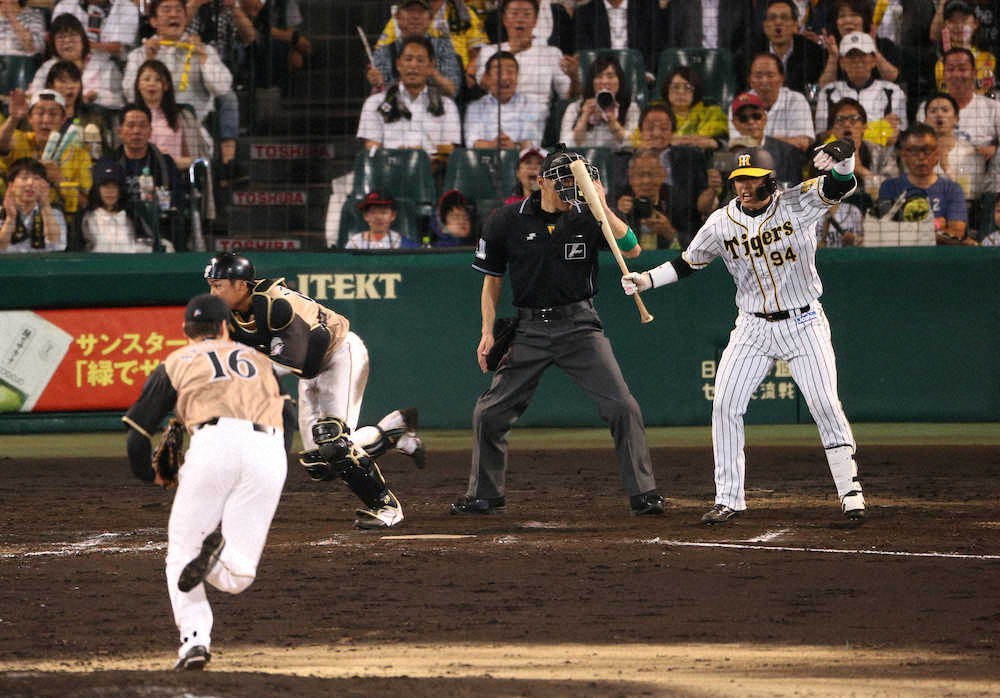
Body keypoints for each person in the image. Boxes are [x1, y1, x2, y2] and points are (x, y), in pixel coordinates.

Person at [621, 144, 867, 525]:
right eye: (738, 180)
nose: (743, 187)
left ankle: (850, 490)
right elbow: (689, 262)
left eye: (751, 179)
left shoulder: (798, 201)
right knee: (725, 406)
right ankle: (728, 498)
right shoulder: (721, 222)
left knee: (824, 405)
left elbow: (840, 183)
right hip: (752, 325)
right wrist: (647, 280)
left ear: (770, 179)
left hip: (803, 321)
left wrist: (845, 159)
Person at [451, 147, 664, 517]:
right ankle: (486, 495)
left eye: (578, 180)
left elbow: (631, 248)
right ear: (542, 182)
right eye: (565, 179)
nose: (572, 187)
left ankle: (643, 493)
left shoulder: (589, 215)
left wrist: (602, 206)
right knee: (489, 413)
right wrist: (487, 333)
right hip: (530, 328)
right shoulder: (506, 220)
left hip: (579, 326)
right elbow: (491, 283)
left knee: (622, 406)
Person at [123, 294, 287, 671]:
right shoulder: (260, 360)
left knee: (181, 551)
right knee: (238, 575)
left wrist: (151, 476)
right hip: (270, 448)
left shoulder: (177, 360)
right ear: (226, 328)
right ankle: (214, 559)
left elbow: (137, 436)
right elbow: (287, 414)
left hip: (213, 445)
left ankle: (194, 642)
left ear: (185, 330)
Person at [203, 252, 425, 529]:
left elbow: (295, 362)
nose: (212, 293)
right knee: (318, 463)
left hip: (339, 354)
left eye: (218, 285)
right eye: (211, 285)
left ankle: (386, 506)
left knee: (333, 440)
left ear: (240, 284)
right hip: (308, 366)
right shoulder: (229, 316)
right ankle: (392, 433)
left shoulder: (275, 304)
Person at [123, 0, 237, 173]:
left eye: (178, 10)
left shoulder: (204, 50)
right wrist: (148, 60)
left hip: (192, 130)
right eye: (166, 10)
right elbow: (131, 95)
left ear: (186, 18)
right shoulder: (139, 55)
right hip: (148, 130)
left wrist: (203, 58)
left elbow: (222, 87)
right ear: (153, 21)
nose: (173, 14)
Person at [356, 35, 462, 164]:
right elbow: (372, 149)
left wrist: (418, 161)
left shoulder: (447, 106)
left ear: (431, 66)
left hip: (431, 179)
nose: (413, 65)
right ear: (398, 64)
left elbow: (449, 151)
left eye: (420, 60)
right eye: (408, 59)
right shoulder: (375, 103)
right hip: (388, 176)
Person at [93, 103, 185, 242]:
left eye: (142, 126)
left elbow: (178, 199)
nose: (136, 131)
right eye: (130, 125)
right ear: (120, 132)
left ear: (150, 131)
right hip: (118, 232)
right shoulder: (107, 163)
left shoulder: (165, 163)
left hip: (160, 230)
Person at [0, 89, 93, 223]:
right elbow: (2, 144)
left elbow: (84, 203)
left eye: (53, 114)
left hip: (59, 224)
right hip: (17, 222)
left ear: (63, 119)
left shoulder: (79, 155)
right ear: (30, 118)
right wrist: (14, 118)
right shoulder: (21, 140)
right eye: (40, 113)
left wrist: (59, 180)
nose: (46, 120)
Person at [474, 0, 575, 119]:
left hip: (534, 118)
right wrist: (513, 52)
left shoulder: (551, 53)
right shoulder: (489, 51)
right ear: (504, 19)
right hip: (497, 117)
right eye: (514, 13)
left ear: (535, 20)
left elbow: (568, 97)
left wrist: (575, 77)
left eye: (527, 14)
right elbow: (485, 84)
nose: (520, 19)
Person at [878, 122, 970, 244]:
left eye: (927, 150)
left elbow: (957, 234)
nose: (921, 157)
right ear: (904, 156)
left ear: (937, 154)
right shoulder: (890, 187)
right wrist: (935, 226)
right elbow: (886, 231)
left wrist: (908, 228)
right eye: (914, 151)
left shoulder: (952, 189)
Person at [814, 31, 908, 144]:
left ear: (873, 60)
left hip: (881, 154)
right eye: (851, 56)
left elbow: (896, 135)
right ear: (842, 63)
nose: (857, 60)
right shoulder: (828, 91)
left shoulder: (892, 91)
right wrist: (878, 128)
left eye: (862, 55)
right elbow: (822, 136)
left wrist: (845, 131)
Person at [917, 48, 1000, 162]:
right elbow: (917, 146)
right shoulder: (927, 108)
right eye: (950, 69)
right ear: (944, 74)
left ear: (974, 73)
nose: (956, 74)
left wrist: (994, 151)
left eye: (962, 69)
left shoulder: (994, 108)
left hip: (981, 175)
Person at [28, 13, 125, 110]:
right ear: (53, 43)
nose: (67, 41)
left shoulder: (104, 65)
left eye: (72, 35)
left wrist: (97, 97)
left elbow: (119, 101)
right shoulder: (47, 68)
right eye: (61, 37)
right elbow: (32, 97)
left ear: (83, 39)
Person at [368, 0, 463, 99]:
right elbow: (380, 96)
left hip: (435, 110)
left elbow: (453, 91)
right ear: (397, 17)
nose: (415, 16)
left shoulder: (443, 46)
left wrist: (432, 72)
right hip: (398, 110)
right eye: (410, 10)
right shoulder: (383, 52)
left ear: (430, 18)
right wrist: (378, 84)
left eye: (421, 11)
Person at [134, 59, 214, 170]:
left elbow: (197, 158)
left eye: (158, 80)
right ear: (138, 85)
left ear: (166, 86)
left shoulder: (183, 117)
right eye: (146, 79)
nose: (151, 84)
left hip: (176, 176)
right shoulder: (129, 118)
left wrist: (168, 162)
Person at [728, 53, 815, 152]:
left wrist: (759, 140)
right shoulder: (739, 104)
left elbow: (802, 143)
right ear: (750, 80)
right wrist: (783, 141)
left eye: (770, 75)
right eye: (758, 76)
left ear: (782, 78)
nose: (764, 81)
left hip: (788, 163)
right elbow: (738, 146)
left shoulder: (796, 100)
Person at [79, 160, 170, 252]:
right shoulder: (86, 219)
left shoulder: (134, 216)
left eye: (114, 186)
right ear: (97, 189)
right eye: (105, 186)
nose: (110, 191)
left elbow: (151, 245)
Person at [464, 51, 545, 149]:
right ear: (488, 78)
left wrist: (514, 147)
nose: (505, 77)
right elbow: (472, 142)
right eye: (498, 72)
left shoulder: (531, 106)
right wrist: (492, 146)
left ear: (517, 76)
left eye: (510, 72)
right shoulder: (475, 108)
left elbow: (532, 140)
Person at [559, 53, 639, 151]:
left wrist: (612, 122)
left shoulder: (631, 108)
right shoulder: (574, 108)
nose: (604, 81)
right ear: (591, 81)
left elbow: (633, 145)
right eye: (599, 76)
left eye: (610, 76)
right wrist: (584, 117)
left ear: (620, 80)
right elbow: (564, 146)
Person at [818, 0, 901, 87]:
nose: (848, 20)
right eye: (842, 16)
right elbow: (823, 89)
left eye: (854, 15)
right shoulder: (829, 51)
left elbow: (895, 79)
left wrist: (874, 50)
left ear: (865, 20)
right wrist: (833, 57)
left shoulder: (883, 45)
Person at [924, 91, 987, 205]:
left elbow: (969, 196)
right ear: (925, 120)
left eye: (945, 110)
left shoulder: (971, 153)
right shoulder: (916, 153)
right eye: (933, 111)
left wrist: (946, 167)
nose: (939, 114)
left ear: (956, 119)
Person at [751, 0, 825, 93]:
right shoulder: (751, 53)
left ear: (795, 25)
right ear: (765, 25)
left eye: (784, 18)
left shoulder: (812, 53)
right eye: (772, 18)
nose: (778, 22)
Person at [729, 92, 803, 185]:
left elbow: (796, 190)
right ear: (735, 123)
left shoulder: (787, 152)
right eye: (743, 118)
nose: (751, 122)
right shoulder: (728, 154)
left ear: (764, 118)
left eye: (756, 116)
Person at [614, 148, 679, 249]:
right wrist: (616, 216)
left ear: (663, 175)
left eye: (652, 175)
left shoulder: (677, 200)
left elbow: (695, 242)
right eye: (640, 175)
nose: (646, 181)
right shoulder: (615, 201)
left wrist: (670, 233)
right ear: (630, 177)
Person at [0, 157, 67, 253]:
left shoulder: (55, 213)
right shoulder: (1, 212)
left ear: (45, 185)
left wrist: (45, 206)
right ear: (11, 185)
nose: (30, 183)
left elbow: (58, 246)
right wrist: (10, 219)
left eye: (36, 178)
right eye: (24, 178)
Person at [932, 0, 997, 95]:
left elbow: (980, 92)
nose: (958, 26)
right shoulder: (941, 64)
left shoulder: (987, 58)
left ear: (976, 23)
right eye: (953, 21)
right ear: (945, 25)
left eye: (964, 19)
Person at [660, 66, 728, 151]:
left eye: (687, 88)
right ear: (667, 89)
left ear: (695, 91)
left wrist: (673, 140)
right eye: (675, 87)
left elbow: (714, 142)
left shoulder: (711, 113)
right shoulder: (656, 113)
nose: (681, 92)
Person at [52, 0, 140, 59]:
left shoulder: (127, 7)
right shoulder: (64, 6)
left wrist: (78, 45)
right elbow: (58, 44)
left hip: (111, 68)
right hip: (68, 64)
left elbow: (117, 48)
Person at [345, 189, 420, 250]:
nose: (378, 217)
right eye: (373, 212)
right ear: (366, 216)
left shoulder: (403, 244)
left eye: (383, 212)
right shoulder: (355, 243)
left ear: (393, 216)